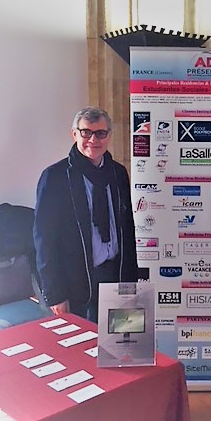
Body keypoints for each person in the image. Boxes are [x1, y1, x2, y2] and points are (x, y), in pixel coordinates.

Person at [33, 107, 138, 322]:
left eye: (101, 133)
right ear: (74, 134)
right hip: (76, 283)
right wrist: (54, 294)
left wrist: (131, 280)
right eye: (86, 132)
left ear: (109, 135)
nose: (93, 140)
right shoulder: (55, 177)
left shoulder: (118, 173)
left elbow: (127, 229)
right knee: (82, 340)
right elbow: (44, 239)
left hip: (116, 275)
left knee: (119, 339)